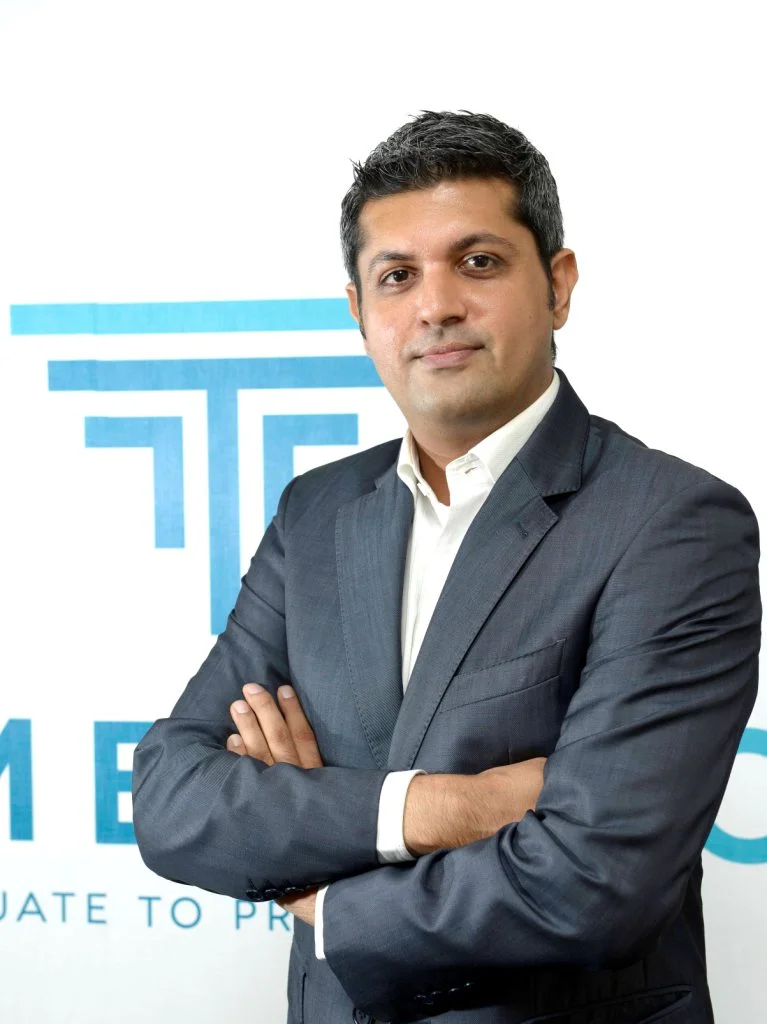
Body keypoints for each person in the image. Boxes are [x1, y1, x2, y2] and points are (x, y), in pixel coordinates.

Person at [132, 111, 761, 1024]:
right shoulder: (317, 513)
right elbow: (171, 799)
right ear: (358, 312)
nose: (435, 307)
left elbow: (598, 880)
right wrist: (446, 807)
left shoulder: (671, 523)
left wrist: (327, 899)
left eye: (477, 262)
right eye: (397, 276)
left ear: (557, 285)